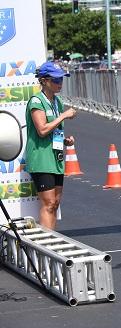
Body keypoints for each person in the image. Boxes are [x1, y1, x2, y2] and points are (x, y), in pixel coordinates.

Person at [25, 61, 77, 230]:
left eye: (61, 79)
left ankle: (51, 243)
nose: (60, 83)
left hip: (55, 158)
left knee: (55, 203)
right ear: (44, 80)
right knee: (48, 203)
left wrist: (65, 140)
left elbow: (54, 131)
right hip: (41, 158)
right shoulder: (36, 101)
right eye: (56, 80)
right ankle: (45, 247)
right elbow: (42, 130)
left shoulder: (57, 101)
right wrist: (63, 117)